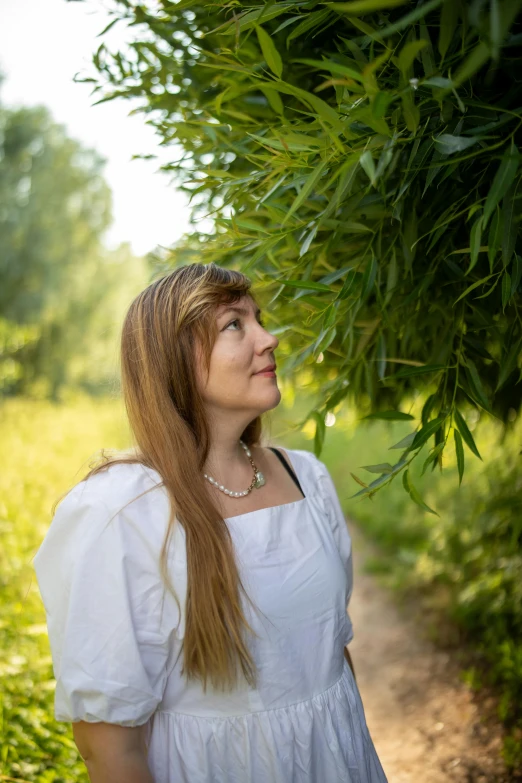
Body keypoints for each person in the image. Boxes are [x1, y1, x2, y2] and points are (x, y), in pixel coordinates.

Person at [33, 262, 388, 783]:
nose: (268, 340)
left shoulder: (306, 476)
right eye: (234, 325)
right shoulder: (120, 513)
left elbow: (330, 657)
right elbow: (109, 749)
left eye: (258, 320)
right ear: (175, 358)